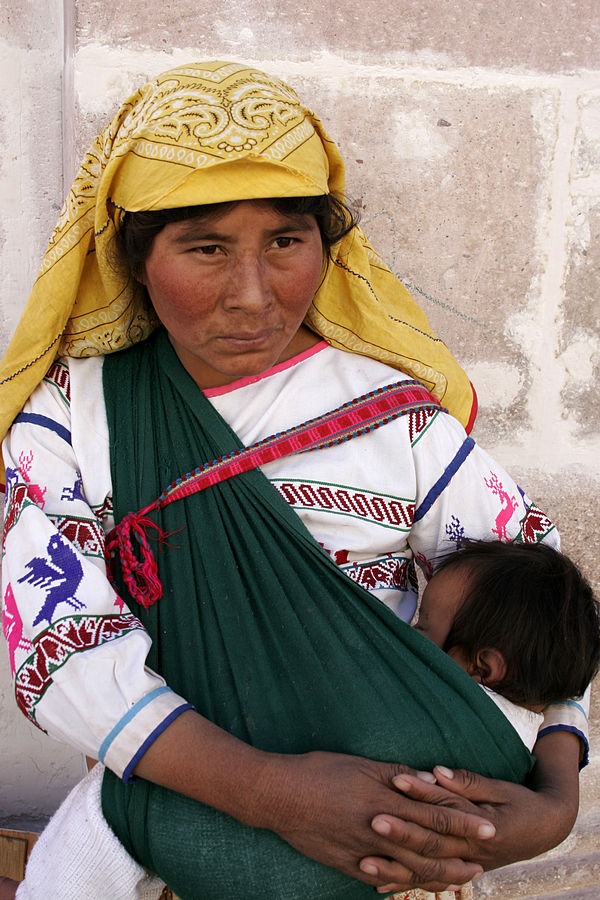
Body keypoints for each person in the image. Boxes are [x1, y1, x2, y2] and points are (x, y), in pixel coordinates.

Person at [0, 61, 588, 899]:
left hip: (402, 841)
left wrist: (556, 795)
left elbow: (539, 584)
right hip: (177, 818)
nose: (252, 295)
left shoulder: (394, 416)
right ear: (133, 258)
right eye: (204, 248)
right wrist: (270, 794)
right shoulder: (73, 417)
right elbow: (59, 645)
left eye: (285, 242)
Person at [414, 540, 600, 750]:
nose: (409, 630)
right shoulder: (526, 745)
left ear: (483, 667)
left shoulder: (446, 732)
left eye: (422, 627)